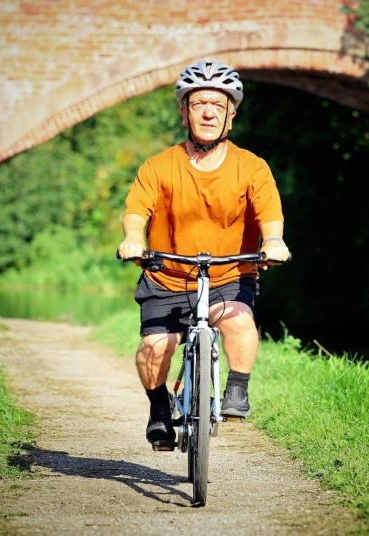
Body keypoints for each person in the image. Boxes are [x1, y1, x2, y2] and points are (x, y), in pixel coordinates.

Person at [117, 58, 291, 450]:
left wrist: (273, 243)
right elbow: (136, 212)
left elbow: (270, 216)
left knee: (239, 320)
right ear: (185, 113)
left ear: (231, 116)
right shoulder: (159, 166)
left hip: (228, 275)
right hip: (168, 275)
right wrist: (133, 239)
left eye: (218, 105)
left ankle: (237, 390)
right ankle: (159, 408)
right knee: (154, 347)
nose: (209, 112)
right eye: (198, 104)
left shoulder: (252, 167)